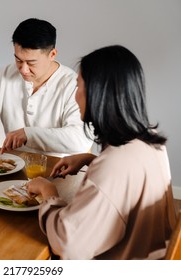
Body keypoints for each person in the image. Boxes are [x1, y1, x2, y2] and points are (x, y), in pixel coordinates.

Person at [27, 45, 177, 259]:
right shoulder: (149, 140)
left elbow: (67, 243)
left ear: (97, 94)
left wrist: (48, 191)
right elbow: (126, 184)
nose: (75, 95)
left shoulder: (115, 165)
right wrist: (91, 160)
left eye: (78, 86)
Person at [0, 18, 93, 156]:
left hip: (59, 169)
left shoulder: (73, 85)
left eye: (31, 63)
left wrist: (29, 135)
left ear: (52, 55)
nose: (23, 69)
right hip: (14, 163)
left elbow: (81, 138)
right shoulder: (6, 74)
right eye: (18, 60)